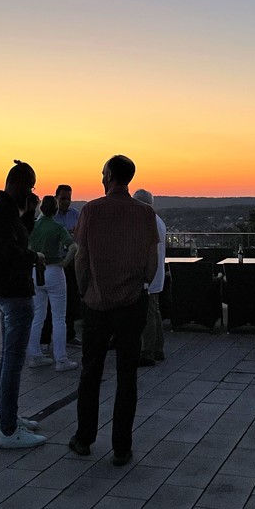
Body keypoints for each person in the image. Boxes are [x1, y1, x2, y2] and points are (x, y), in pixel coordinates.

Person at [69, 155, 158, 467]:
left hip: (96, 303)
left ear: (108, 176)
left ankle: (84, 438)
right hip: (132, 304)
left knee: (90, 371)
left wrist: (83, 290)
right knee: (126, 376)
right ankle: (122, 447)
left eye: (103, 172)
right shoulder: (145, 214)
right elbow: (151, 264)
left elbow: (81, 259)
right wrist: (138, 284)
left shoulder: (91, 210)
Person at [0, 160, 47, 449]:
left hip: (6, 290)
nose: (31, 192)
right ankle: (9, 430)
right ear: (19, 184)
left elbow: (16, 238)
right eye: (30, 186)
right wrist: (33, 258)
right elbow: (10, 251)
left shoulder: (1, 209)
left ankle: (7, 418)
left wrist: (30, 215)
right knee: (13, 362)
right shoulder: (4, 211)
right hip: (14, 291)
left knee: (9, 361)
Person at [25, 196, 78, 372]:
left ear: (41, 209)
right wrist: (65, 263)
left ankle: (35, 355)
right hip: (54, 270)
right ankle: (61, 359)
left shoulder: (33, 226)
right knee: (58, 318)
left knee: (37, 315)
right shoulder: (57, 227)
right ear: (55, 210)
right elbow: (73, 247)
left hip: (35, 271)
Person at [132, 188, 166, 366]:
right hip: (157, 273)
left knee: (148, 314)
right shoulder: (158, 221)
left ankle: (148, 352)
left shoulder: (146, 221)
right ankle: (158, 348)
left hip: (148, 275)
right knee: (155, 311)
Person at [53, 183, 82, 345]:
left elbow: (80, 234)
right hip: (56, 261)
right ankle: (51, 334)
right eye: (63, 198)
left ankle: (69, 334)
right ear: (57, 197)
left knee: (71, 298)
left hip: (71, 261)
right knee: (55, 301)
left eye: (68, 198)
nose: (66, 202)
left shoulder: (75, 214)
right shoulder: (51, 216)